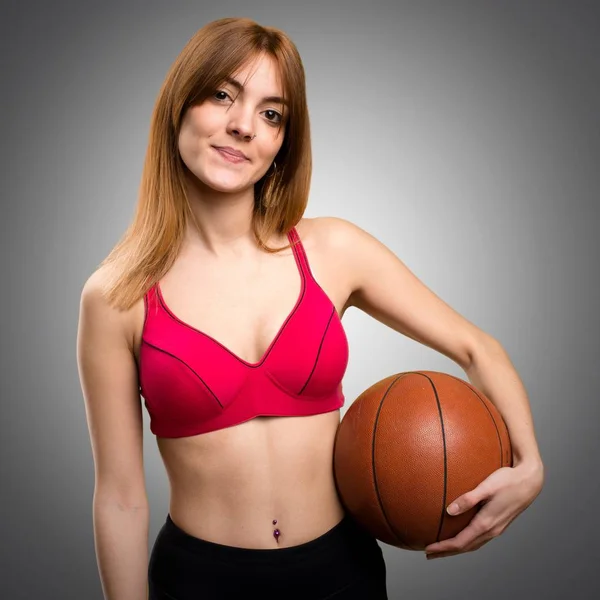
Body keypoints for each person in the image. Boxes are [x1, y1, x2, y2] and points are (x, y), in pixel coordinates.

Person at [76, 16, 544, 600]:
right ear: (179, 106)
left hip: (341, 572)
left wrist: (528, 465)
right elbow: (120, 498)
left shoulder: (333, 250)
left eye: (272, 114)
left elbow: (478, 348)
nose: (244, 126)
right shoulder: (115, 296)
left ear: (282, 143)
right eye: (223, 94)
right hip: (199, 581)